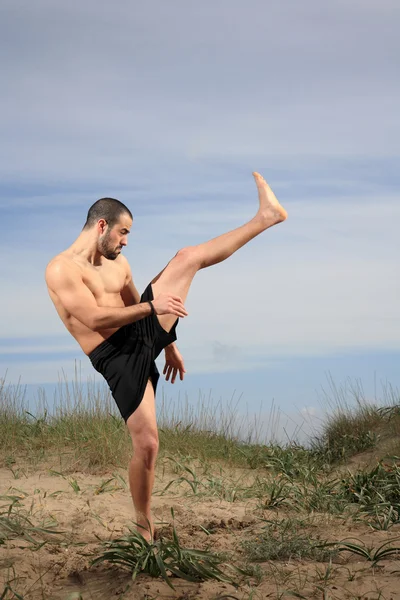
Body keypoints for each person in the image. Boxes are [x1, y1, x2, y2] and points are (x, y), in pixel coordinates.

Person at [45, 172, 287, 540]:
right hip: (114, 357)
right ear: (101, 225)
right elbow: (94, 317)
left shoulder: (118, 266)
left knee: (188, 257)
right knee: (147, 443)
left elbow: (135, 305)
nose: (126, 242)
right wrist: (152, 311)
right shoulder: (61, 268)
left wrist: (168, 345)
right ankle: (144, 524)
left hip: (140, 331)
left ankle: (266, 218)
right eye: (123, 232)